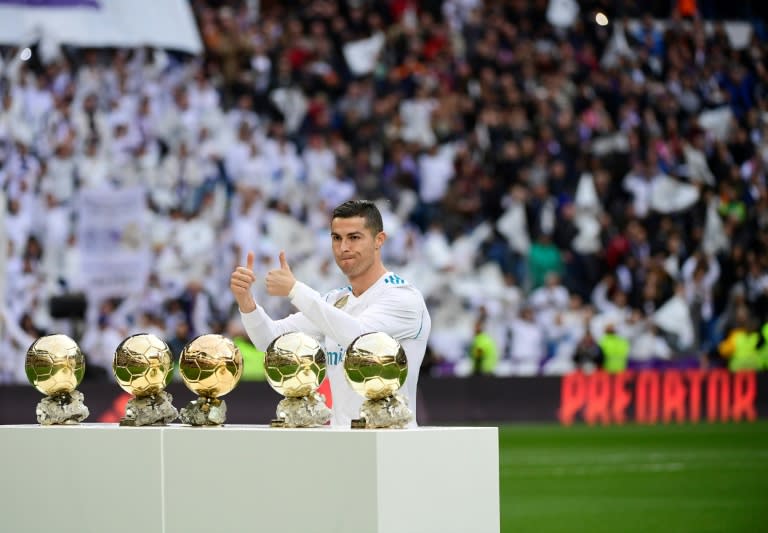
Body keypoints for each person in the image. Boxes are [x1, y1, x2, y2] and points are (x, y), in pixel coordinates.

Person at [230, 200, 432, 427]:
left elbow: (362, 339)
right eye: (337, 238)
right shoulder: (335, 302)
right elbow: (270, 341)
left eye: (354, 238)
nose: (343, 247)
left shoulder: (403, 297)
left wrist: (296, 291)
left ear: (379, 240)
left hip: (390, 446)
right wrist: (246, 302)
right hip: (342, 444)